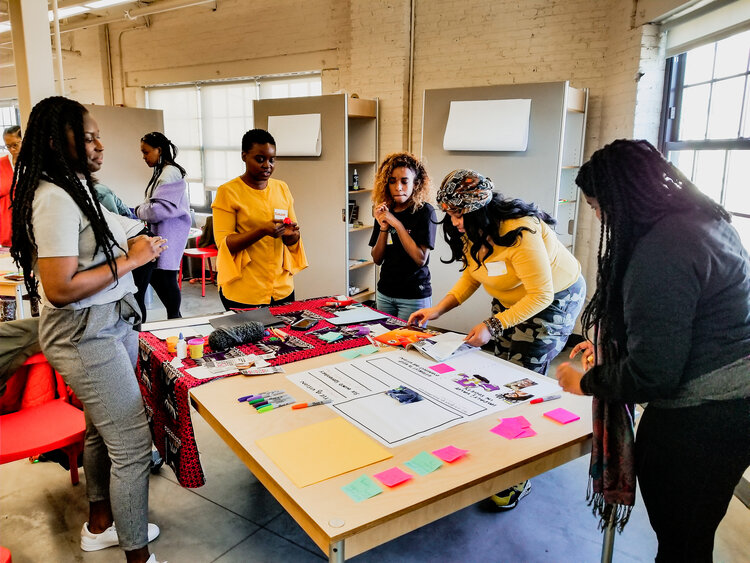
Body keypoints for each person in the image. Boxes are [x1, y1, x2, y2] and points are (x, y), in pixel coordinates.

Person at [556, 139, 750, 562]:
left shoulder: (662, 250)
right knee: (693, 534)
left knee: (681, 540)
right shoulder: (703, 221)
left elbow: (653, 372)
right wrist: (612, 343)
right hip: (734, 401)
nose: (599, 217)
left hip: (699, 418)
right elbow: (682, 320)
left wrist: (585, 382)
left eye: (597, 207)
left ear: (620, 200)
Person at [9, 96, 166, 563]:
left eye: (100, 136)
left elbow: (114, 229)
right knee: (134, 444)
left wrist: (138, 242)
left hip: (113, 321)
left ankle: (101, 525)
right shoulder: (54, 198)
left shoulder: (78, 187)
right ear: (58, 142)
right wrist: (131, 260)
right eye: (90, 137)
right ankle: (138, 558)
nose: (100, 145)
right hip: (84, 333)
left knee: (103, 430)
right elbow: (59, 287)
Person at [409, 168, 586, 510]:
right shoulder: (471, 230)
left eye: (459, 214)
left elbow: (541, 295)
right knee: (497, 371)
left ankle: (518, 472)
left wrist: (492, 324)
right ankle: (497, 446)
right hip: (512, 298)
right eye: (450, 214)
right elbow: (473, 275)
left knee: (522, 381)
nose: (455, 222)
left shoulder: (520, 232)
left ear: (479, 209)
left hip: (553, 300)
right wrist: (438, 310)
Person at [212, 128, 308, 310]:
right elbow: (224, 244)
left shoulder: (282, 188)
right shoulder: (228, 192)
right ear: (244, 156)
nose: (267, 165)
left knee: (284, 337)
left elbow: (294, 236)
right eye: (260, 159)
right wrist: (262, 231)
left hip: (282, 288)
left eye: (272, 160)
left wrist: (291, 236)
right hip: (245, 290)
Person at [369, 152, 436, 320]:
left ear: (416, 183)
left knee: (408, 344)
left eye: (404, 181)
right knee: (383, 341)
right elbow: (377, 259)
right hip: (385, 293)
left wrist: (397, 224)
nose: (398, 187)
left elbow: (420, 259)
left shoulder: (425, 211)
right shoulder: (385, 211)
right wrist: (384, 227)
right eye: (392, 181)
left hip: (413, 296)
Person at [134, 132, 191, 320]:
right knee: (161, 278)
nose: (143, 157)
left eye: (146, 152)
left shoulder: (170, 173)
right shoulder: (164, 171)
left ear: (159, 150)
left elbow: (160, 210)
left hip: (169, 234)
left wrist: (138, 211)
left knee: (166, 278)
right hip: (165, 233)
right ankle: (175, 319)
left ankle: (175, 320)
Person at [0, 125, 22, 247]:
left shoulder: (33, 164)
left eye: (15, 145)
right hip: (6, 227)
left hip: (26, 222)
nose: (12, 149)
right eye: (8, 146)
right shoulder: (2, 164)